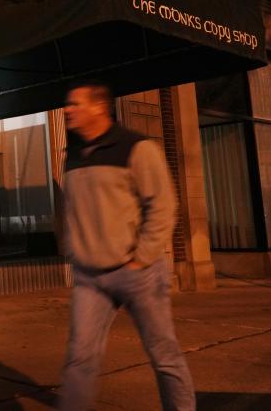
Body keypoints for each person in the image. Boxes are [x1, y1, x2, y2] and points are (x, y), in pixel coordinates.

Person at [58, 81, 194, 411]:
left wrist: (142, 257)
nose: (67, 110)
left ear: (99, 108)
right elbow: (65, 208)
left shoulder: (137, 148)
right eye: (68, 104)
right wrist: (70, 247)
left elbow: (162, 205)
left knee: (164, 355)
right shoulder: (72, 156)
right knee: (80, 359)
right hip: (90, 276)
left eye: (75, 104)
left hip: (138, 273)